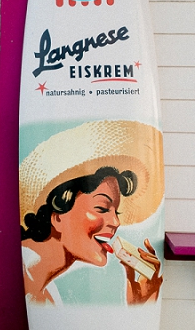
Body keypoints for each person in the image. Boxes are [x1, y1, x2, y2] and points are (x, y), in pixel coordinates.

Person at [19, 120, 165, 305]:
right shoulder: (22, 274)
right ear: (57, 217)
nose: (116, 222)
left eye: (116, 212)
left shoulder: (45, 294)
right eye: (102, 208)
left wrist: (140, 304)